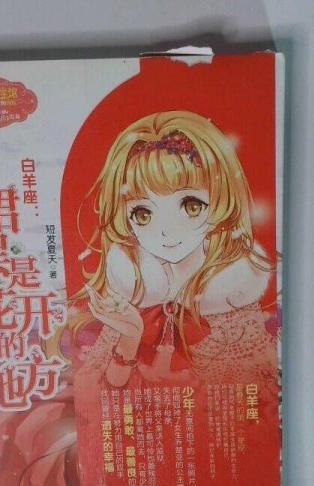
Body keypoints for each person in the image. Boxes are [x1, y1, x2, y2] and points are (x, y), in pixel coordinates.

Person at [73, 110, 279, 391]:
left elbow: (255, 396)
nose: (166, 233)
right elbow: (98, 397)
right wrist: (131, 336)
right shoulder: (133, 290)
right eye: (143, 213)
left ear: (222, 201)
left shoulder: (234, 299)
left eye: (192, 206)